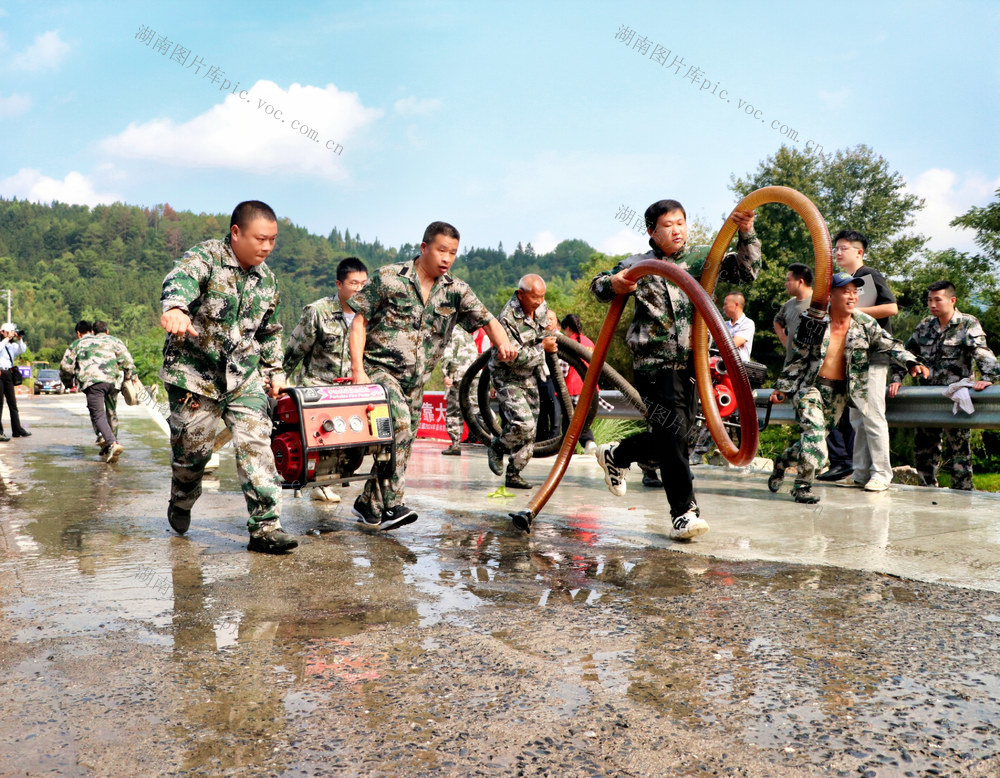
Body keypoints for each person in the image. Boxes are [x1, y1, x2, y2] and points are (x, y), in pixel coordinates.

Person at [590, 198, 761, 540]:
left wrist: (745, 233)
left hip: (693, 364)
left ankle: (618, 454)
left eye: (681, 222)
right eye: (668, 225)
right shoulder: (637, 264)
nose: (676, 230)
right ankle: (684, 512)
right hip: (655, 365)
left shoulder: (702, 259)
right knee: (672, 436)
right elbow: (599, 286)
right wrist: (615, 284)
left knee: (677, 439)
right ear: (652, 231)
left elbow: (747, 271)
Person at [349, 221, 517, 529]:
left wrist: (503, 343)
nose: (447, 258)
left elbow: (487, 319)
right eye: (441, 250)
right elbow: (359, 321)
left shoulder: (455, 291)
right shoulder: (389, 279)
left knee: (403, 439)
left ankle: (368, 503)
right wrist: (358, 371)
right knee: (398, 425)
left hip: (416, 381)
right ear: (424, 247)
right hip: (379, 371)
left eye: (453, 253)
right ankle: (393, 504)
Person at [160, 200, 297, 555]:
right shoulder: (205, 257)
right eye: (260, 238)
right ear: (236, 233)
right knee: (192, 456)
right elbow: (181, 279)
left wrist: (274, 370)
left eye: (273, 240)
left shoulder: (267, 280)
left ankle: (266, 527)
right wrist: (175, 307)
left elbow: (270, 331)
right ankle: (183, 497)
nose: (267, 247)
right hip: (195, 376)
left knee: (257, 444)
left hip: (243, 377)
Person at [769, 273, 927, 503]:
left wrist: (911, 362)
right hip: (811, 387)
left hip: (840, 394)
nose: (852, 296)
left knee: (814, 441)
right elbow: (798, 358)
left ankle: (782, 462)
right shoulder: (813, 321)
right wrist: (782, 387)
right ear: (830, 295)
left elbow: (890, 344)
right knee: (814, 438)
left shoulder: (864, 323)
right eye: (845, 291)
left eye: (855, 291)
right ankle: (802, 486)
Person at [889, 280, 1000, 490]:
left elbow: (982, 352)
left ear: (952, 300)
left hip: (956, 396)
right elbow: (906, 354)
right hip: (928, 398)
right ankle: (925, 491)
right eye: (929, 300)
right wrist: (896, 378)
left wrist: (988, 377)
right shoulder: (924, 326)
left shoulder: (967, 323)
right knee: (924, 450)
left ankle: (963, 494)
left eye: (937, 300)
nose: (932, 305)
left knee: (960, 451)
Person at [833, 229, 899, 491]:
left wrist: (853, 310)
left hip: (873, 356)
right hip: (852, 359)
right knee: (856, 419)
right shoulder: (846, 281)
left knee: (872, 416)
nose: (838, 252)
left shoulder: (868, 275)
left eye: (844, 248)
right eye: (836, 248)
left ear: (859, 252)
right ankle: (860, 473)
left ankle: (882, 473)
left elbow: (891, 307)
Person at [486, 275, 557, 489]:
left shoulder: (541, 306)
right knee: (523, 424)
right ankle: (498, 446)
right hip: (507, 375)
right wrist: (542, 349)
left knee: (531, 430)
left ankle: (514, 473)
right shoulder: (507, 318)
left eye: (542, 297)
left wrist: (551, 331)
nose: (539, 302)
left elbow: (545, 327)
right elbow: (511, 355)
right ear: (521, 294)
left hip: (530, 375)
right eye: (535, 297)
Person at [59, 319, 136, 464]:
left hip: (93, 383)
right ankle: (109, 440)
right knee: (111, 412)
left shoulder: (78, 344)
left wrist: (68, 382)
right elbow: (126, 360)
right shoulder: (108, 341)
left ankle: (111, 443)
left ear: (78, 333)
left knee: (97, 413)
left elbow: (65, 366)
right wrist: (130, 377)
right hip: (112, 382)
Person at [283, 257, 368, 386]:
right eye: (354, 283)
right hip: (318, 390)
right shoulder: (318, 311)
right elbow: (294, 353)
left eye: (363, 284)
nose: (359, 289)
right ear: (339, 284)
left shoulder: (369, 316)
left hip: (354, 392)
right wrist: (276, 382)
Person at [440, 325, 483, 455]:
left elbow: (447, 353)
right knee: (477, 407)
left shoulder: (452, 330)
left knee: (454, 411)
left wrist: (447, 374)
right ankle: (495, 437)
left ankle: (455, 444)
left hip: (458, 375)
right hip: (474, 373)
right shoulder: (468, 330)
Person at [559, 313, 598, 456]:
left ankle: (570, 448)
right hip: (589, 388)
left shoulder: (568, 342)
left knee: (569, 419)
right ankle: (589, 443)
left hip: (572, 388)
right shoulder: (589, 342)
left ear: (568, 328)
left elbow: (563, 369)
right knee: (582, 418)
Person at [0, 322, 29, 441]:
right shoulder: (2, 344)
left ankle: (17, 430)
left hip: (8, 375)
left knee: (13, 403)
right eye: (9, 332)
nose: (11, 334)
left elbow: (22, 350)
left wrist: (19, 339)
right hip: (0, 373)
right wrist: (6, 338)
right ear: (2, 332)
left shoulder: (12, 346)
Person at [722, 292, 755, 363]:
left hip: (739, 370)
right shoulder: (724, 324)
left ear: (736, 305)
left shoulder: (748, 323)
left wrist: (731, 343)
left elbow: (731, 345)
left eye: (725, 304)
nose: (723, 307)